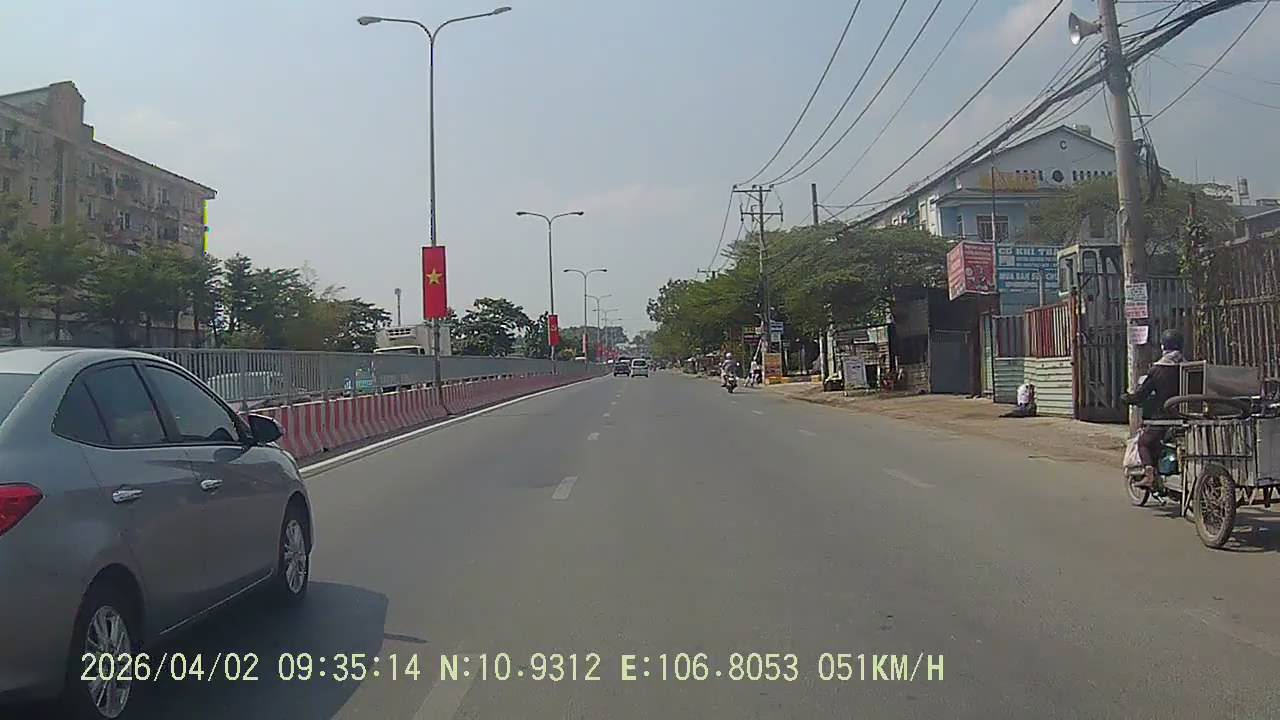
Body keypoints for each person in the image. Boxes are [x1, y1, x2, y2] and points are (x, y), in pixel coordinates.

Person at [1120, 329, 1185, 489]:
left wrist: (1127, 398)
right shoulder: (1188, 367)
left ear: (1164, 347)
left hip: (1163, 419)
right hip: (1186, 418)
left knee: (1144, 442)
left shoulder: (1157, 370)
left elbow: (1141, 395)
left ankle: (1149, 475)